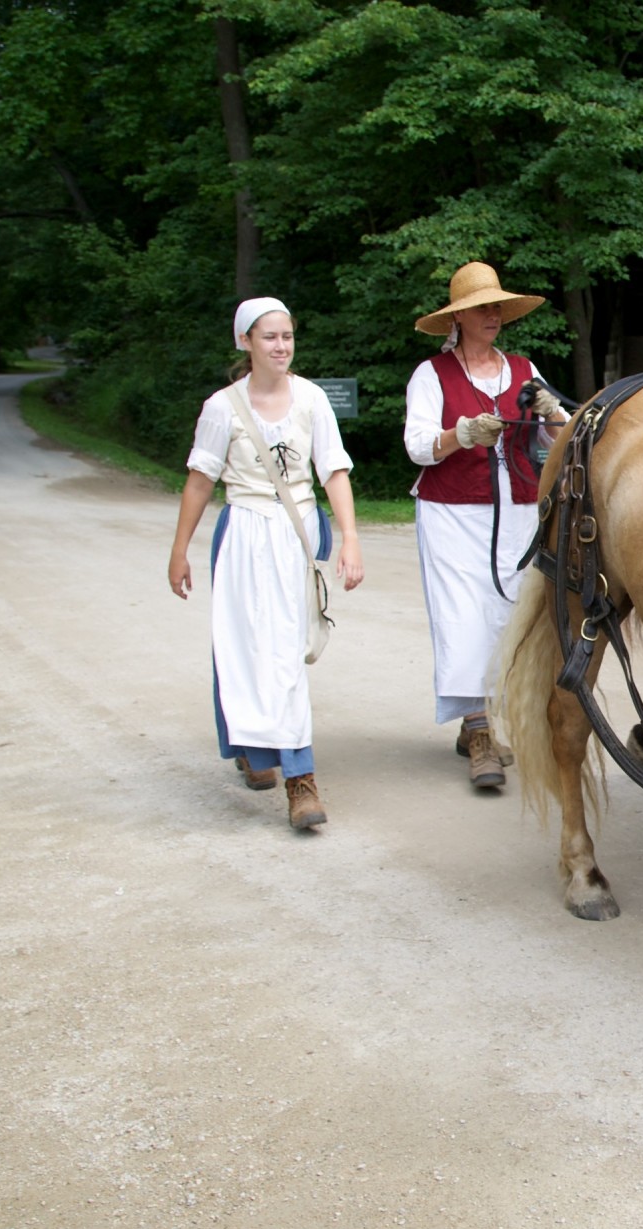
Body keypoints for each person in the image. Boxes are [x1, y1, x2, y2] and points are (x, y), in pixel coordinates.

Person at [168, 297, 364, 830]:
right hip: (243, 531)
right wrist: (179, 549)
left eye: (287, 336)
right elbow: (200, 480)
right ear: (245, 343)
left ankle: (300, 778)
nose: (281, 346)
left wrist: (349, 538)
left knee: (282, 652)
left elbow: (335, 471)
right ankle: (253, 751)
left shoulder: (312, 399)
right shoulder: (221, 407)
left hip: (294, 531)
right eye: (270, 337)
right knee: (239, 645)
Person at [404, 262, 568, 789]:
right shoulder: (433, 375)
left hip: (517, 506)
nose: (493, 315)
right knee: (462, 615)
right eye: (482, 308)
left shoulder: (523, 368)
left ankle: (490, 711)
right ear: (461, 317)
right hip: (452, 511)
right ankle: (478, 732)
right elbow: (417, 446)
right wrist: (462, 433)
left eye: (497, 306)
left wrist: (551, 413)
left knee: (509, 612)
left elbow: (559, 440)